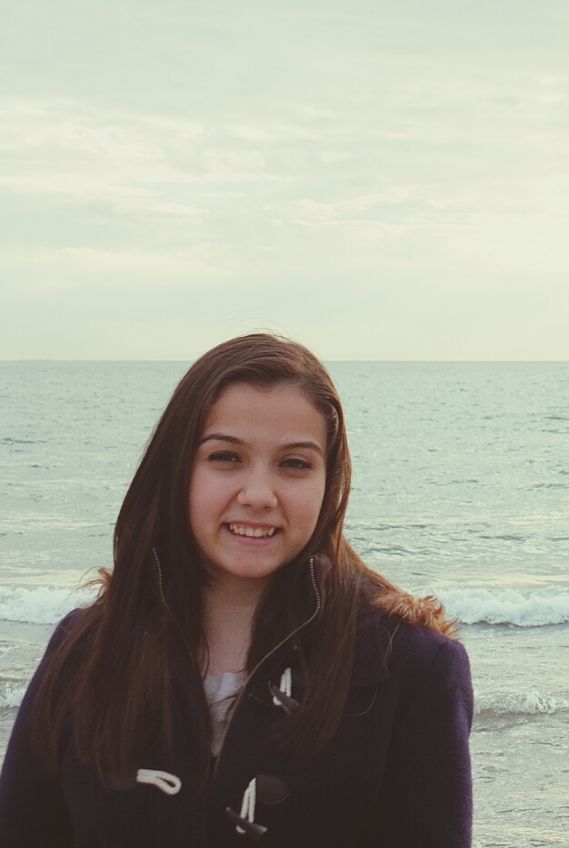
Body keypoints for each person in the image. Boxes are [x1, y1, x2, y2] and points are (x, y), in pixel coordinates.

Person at [0, 334, 473, 846]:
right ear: (177, 468)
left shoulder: (413, 666)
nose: (258, 495)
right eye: (225, 457)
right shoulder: (85, 650)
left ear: (329, 481)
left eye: (294, 464)